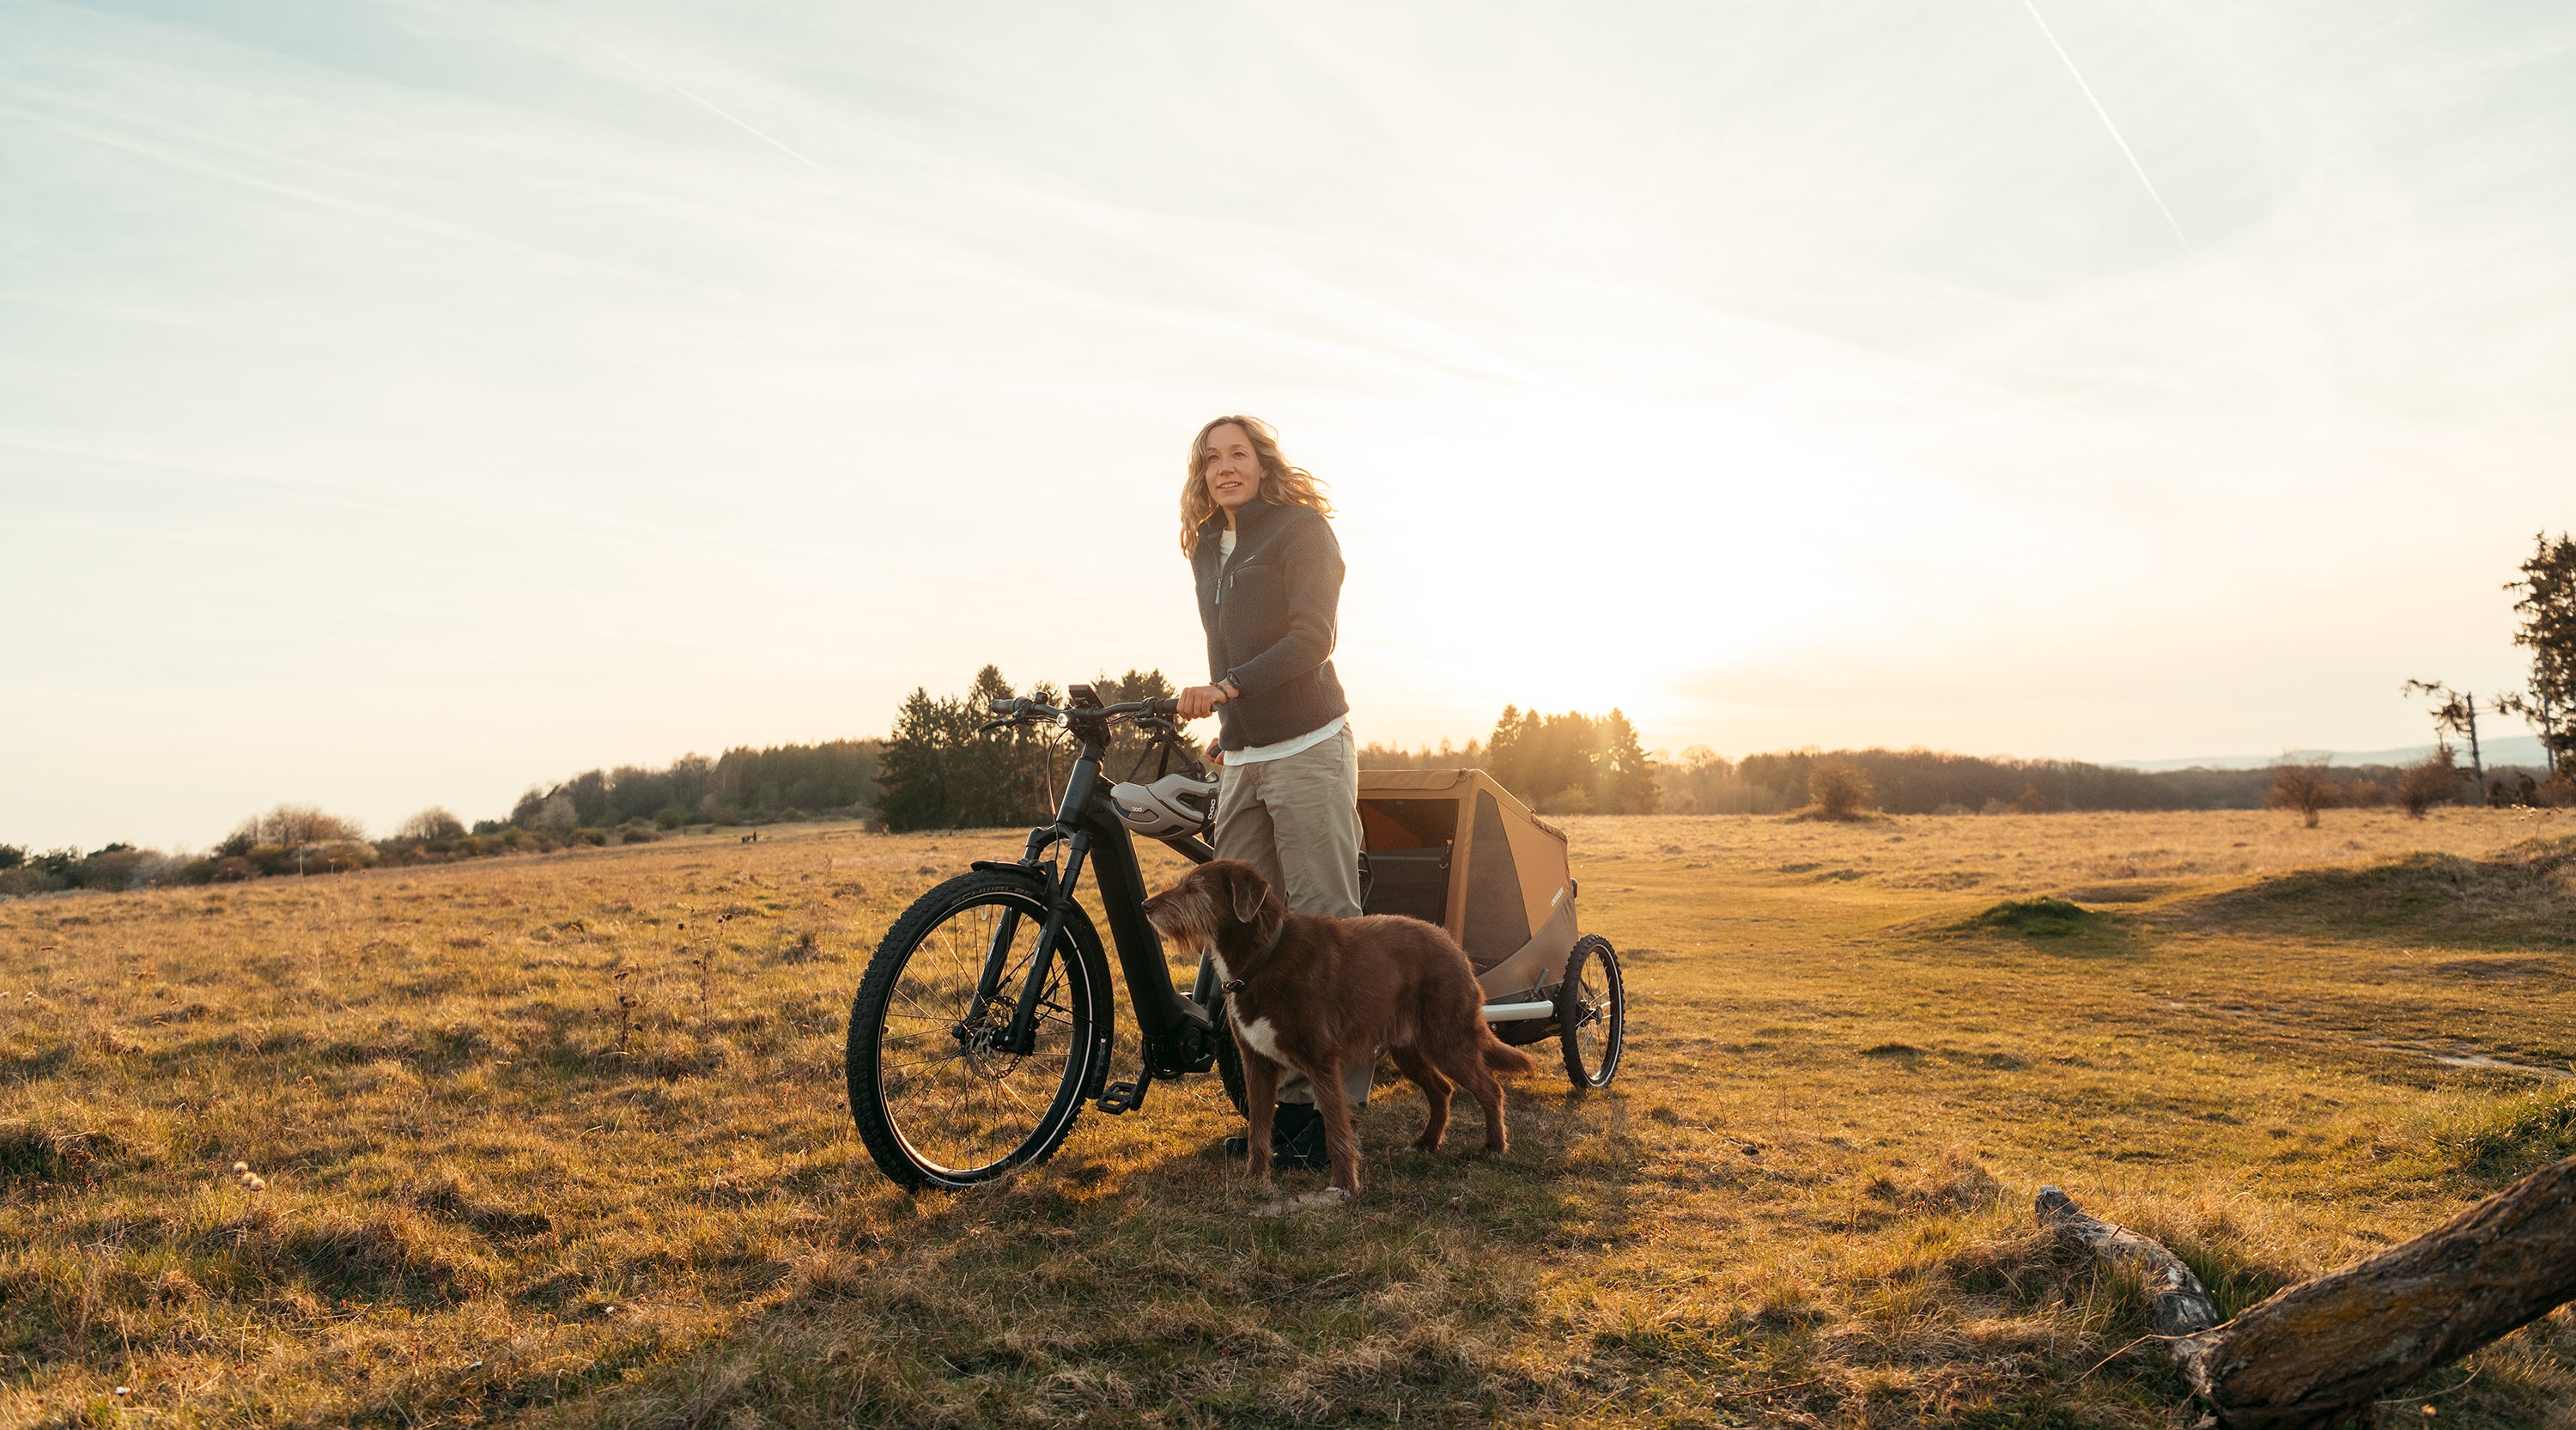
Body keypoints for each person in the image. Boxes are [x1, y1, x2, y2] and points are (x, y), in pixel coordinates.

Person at [1173, 415, 1369, 1170]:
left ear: (1262, 462)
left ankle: (1333, 1116)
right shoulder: (1205, 548)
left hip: (1311, 746)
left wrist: (1229, 687)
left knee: (1324, 927)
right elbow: (1228, 646)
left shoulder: (1300, 531)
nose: (1226, 467)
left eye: (1239, 454)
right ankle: (1282, 1112)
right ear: (1202, 473)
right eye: (1212, 458)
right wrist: (1231, 718)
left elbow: (1311, 637)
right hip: (1247, 755)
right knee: (1244, 931)